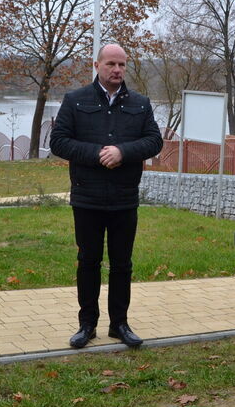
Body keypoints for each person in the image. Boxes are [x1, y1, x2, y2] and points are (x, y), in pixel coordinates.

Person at [50, 43, 163, 350]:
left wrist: (123, 152)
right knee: (88, 262)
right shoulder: (76, 101)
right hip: (87, 197)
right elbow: (58, 142)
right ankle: (87, 325)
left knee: (122, 264)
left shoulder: (140, 104)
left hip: (124, 198)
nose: (117, 70)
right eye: (111, 64)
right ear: (97, 65)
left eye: (122, 65)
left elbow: (154, 141)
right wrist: (98, 154)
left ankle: (119, 324)